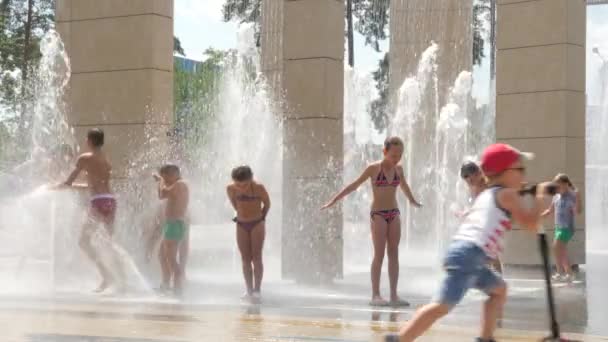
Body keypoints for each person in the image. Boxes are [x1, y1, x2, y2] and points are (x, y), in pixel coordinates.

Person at [386, 143, 553, 342]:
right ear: (504, 172)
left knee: (499, 290)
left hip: (470, 255)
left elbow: (503, 218)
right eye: (520, 169)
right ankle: (401, 339)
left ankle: (485, 338)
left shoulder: (488, 194)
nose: (523, 174)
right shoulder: (507, 195)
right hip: (469, 255)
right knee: (442, 305)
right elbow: (531, 224)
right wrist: (542, 198)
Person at [322, 136, 421, 307]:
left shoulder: (399, 170)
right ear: (384, 151)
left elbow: (404, 186)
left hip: (394, 213)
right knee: (379, 254)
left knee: (394, 253)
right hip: (378, 214)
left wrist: (412, 200)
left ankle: (394, 295)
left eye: (399, 155)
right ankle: (375, 294)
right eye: (393, 155)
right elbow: (354, 185)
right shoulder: (373, 169)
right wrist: (334, 200)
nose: (396, 158)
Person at [56, 128, 124, 292]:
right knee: (109, 242)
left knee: (83, 242)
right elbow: (94, 184)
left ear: (89, 140)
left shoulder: (85, 158)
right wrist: (72, 187)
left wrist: (59, 186)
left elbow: (69, 181)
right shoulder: (105, 160)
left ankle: (107, 276)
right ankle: (123, 279)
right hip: (110, 200)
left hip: (98, 202)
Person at [226, 166, 270, 303]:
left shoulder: (259, 188)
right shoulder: (230, 189)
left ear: (251, 179)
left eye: (244, 185)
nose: (241, 188)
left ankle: (257, 290)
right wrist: (240, 214)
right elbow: (234, 203)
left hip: (257, 223)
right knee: (245, 258)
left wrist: (262, 217)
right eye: (238, 184)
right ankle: (249, 290)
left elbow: (267, 204)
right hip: (241, 224)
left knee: (256, 257)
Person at [460, 161, 503, 274]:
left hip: (489, 221)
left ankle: (496, 279)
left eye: (470, 175)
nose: (468, 179)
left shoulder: (487, 184)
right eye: (465, 177)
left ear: (477, 173)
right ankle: (495, 279)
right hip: (481, 223)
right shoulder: (473, 186)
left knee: (488, 253)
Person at [153, 163, 189, 295]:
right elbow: (164, 193)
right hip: (172, 224)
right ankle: (166, 283)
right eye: (164, 178)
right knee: (162, 255)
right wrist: (162, 181)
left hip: (174, 224)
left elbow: (162, 194)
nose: (166, 181)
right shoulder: (178, 184)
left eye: (166, 178)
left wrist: (160, 182)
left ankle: (178, 287)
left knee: (171, 258)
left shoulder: (180, 184)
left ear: (173, 174)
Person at [541, 173, 582, 282]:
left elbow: (577, 211)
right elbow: (550, 210)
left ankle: (560, 273)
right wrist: (540, 216)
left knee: (556, 247)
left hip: (567, 227)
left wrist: (578, 198)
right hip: (558, 227)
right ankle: (569, 274)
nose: (556, 188)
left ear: (565, 184)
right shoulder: (556, 196)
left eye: (558, 185)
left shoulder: (572, 196)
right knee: (561, 251)